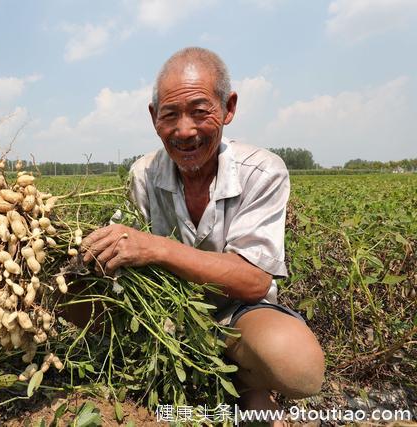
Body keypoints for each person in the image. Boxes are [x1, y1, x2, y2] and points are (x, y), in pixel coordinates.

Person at [81, 47, 325, 412]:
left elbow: (254, 281)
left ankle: (244, 382)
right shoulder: (143, 175)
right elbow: (127, 251)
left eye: (199, 111)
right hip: (163, 315)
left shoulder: (261, 171)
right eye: (170, 115)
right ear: (153, 118)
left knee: (298, 366)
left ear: (228, 108)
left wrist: (157, 248)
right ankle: (155, 374)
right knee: (68, 290)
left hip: (238, 316)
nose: (184, 131)